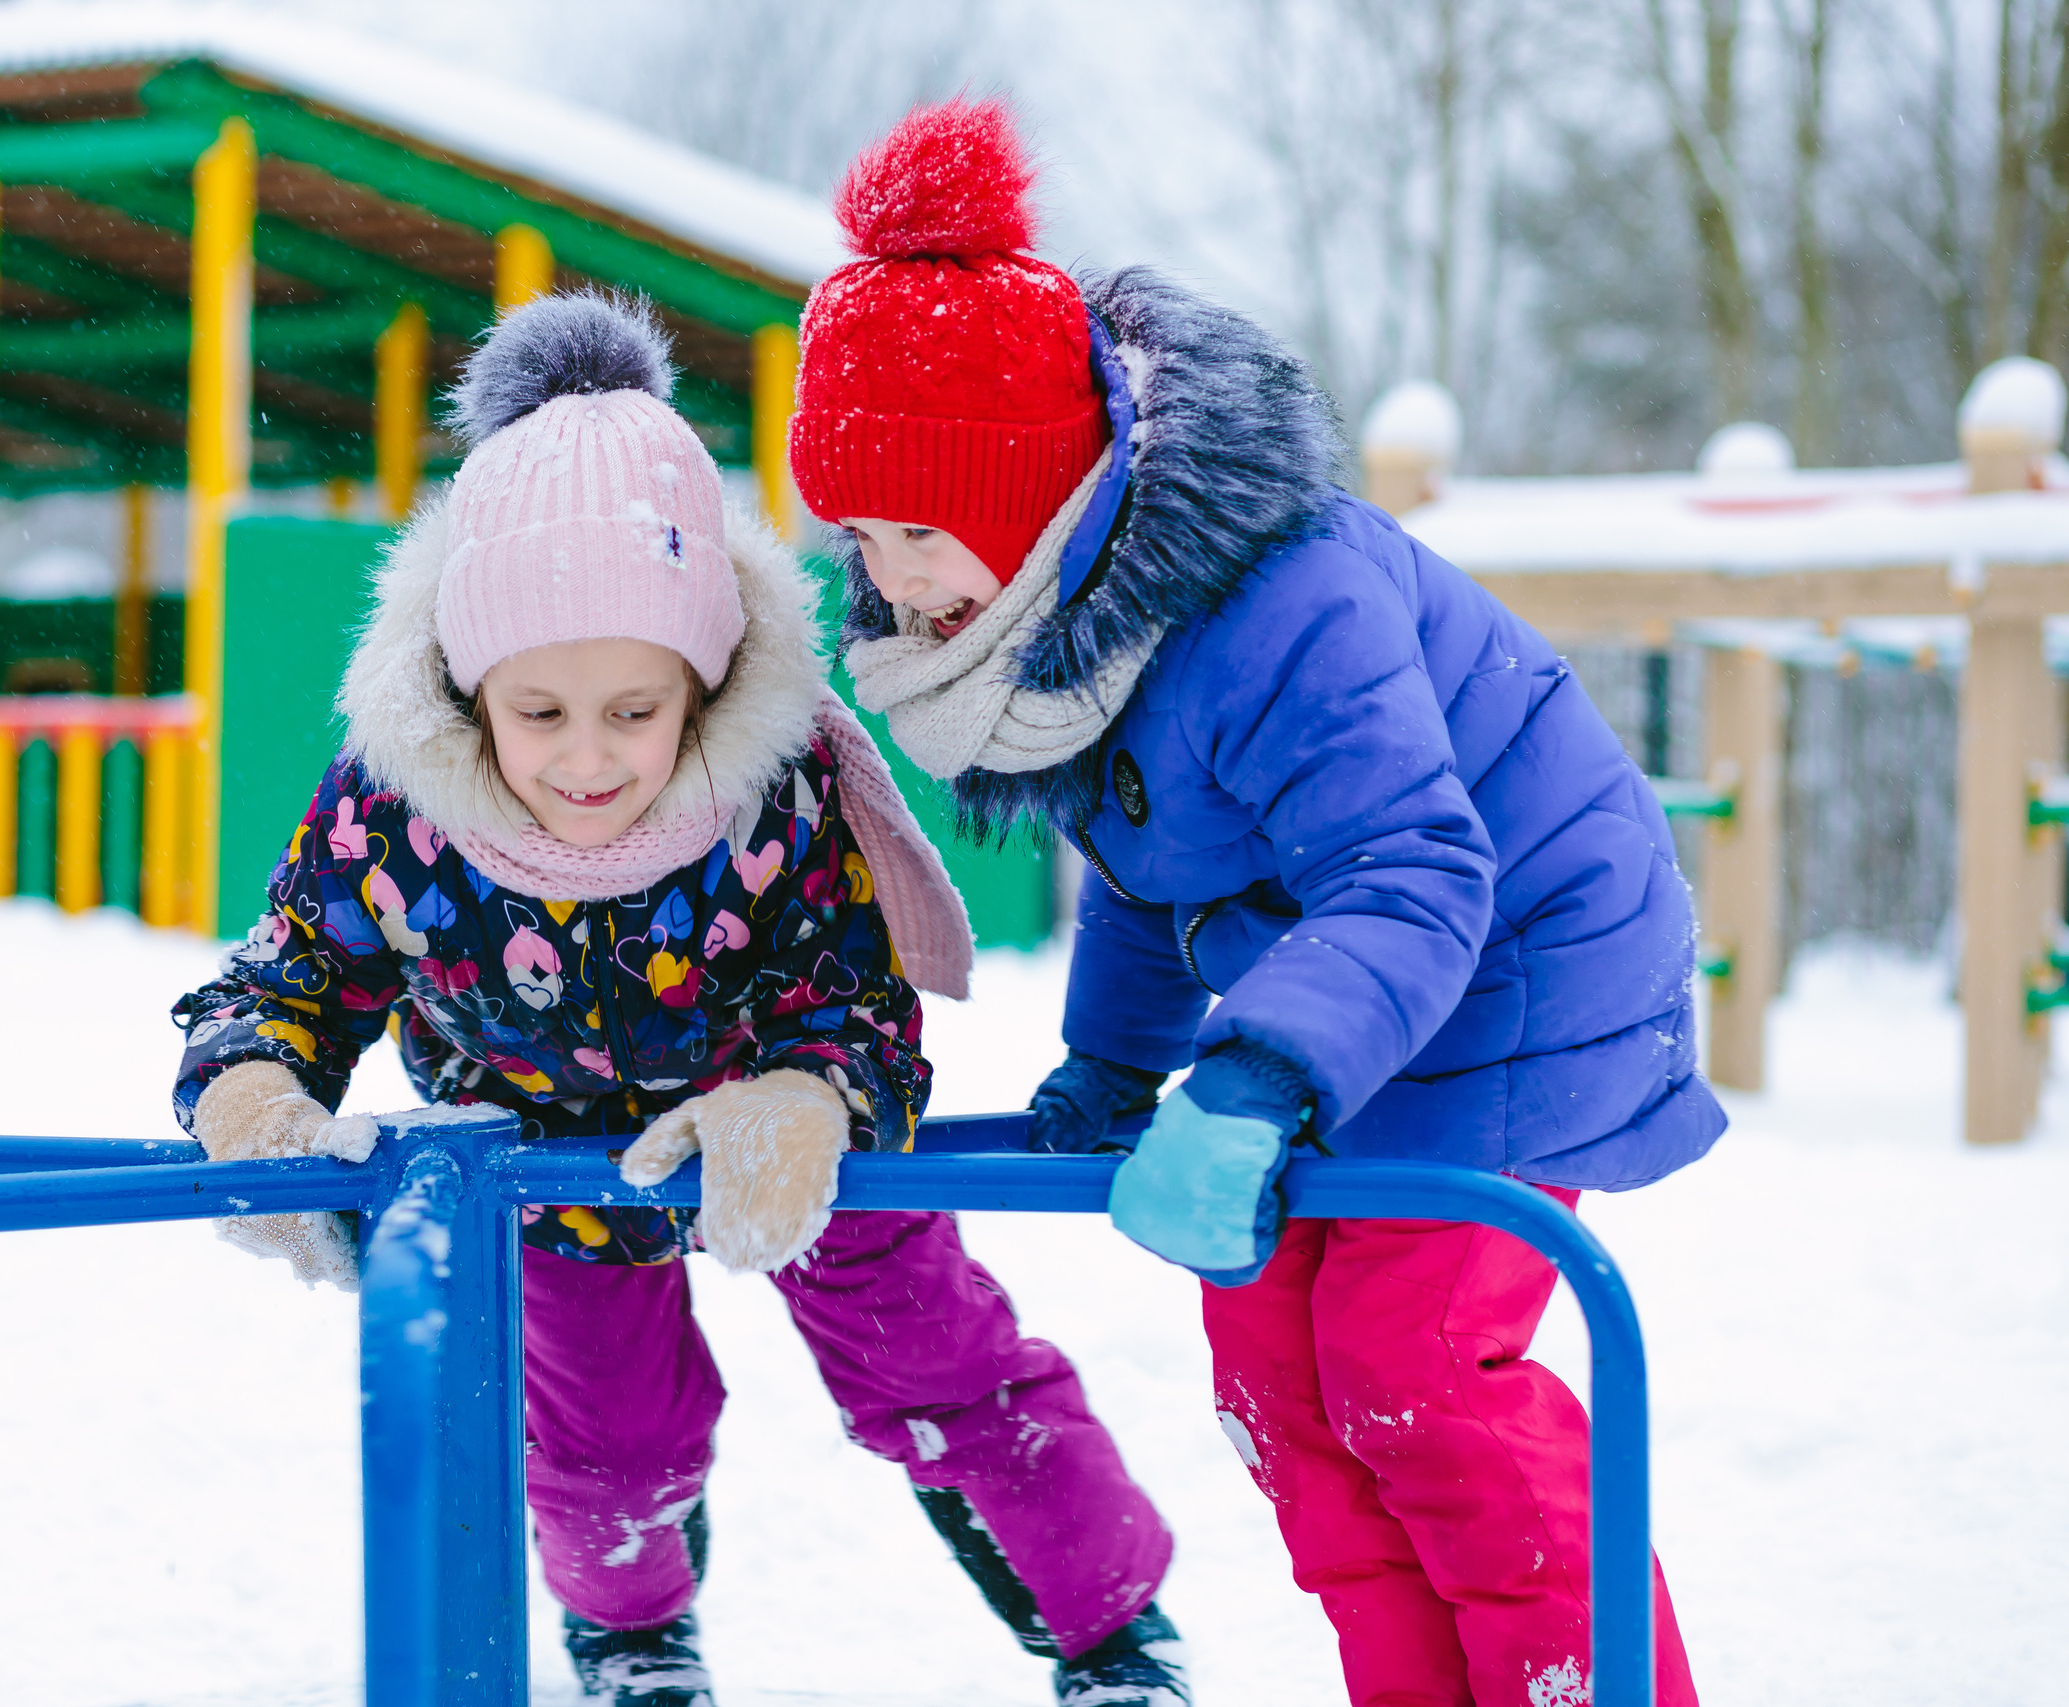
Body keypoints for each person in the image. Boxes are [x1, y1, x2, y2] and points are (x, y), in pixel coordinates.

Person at [791, 99, 1722, 1707]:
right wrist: (1109, 1072)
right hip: (1356, 989)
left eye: (915, 529)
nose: (889, 578)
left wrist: (1252, 1078)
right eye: (859, 534)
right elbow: (1160, 877)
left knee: (1410, 1363)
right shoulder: (1056, 632)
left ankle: (1583, 1688)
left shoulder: (1279, 602)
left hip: (1520, 967)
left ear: (1027, 497)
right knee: (1279, 1383)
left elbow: (1418, 875)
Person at [168, 293, 1188, 1707]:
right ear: (468, 691)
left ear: (705, 685)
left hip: (791, 1144)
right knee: (606, 1450)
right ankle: (634, 1637)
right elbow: (287, 976)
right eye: (539, 715)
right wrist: (252, 1096)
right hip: (550, 1172)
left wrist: (807, 1096)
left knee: (941, 1366)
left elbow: (858, 1002)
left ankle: (1114, 1636)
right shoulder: (397, 808)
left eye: (635, 712)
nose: (588, 760)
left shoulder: (772, 794)